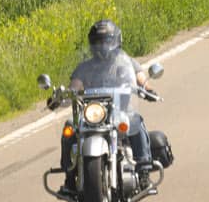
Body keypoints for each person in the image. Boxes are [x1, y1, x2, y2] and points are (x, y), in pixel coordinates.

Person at [67, 19, 163, 172]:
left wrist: (148, 90)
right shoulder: (84, 67)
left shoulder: (126, 62)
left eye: (106, 41)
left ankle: (144, 167)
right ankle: (69, 171)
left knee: (135, 122)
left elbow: (140, 78)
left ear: (115, 41)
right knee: (70, 126)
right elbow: (74, 86)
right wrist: (65, 96)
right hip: (93, 114)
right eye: (98, 42)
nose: (102, 46)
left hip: (121, 111)